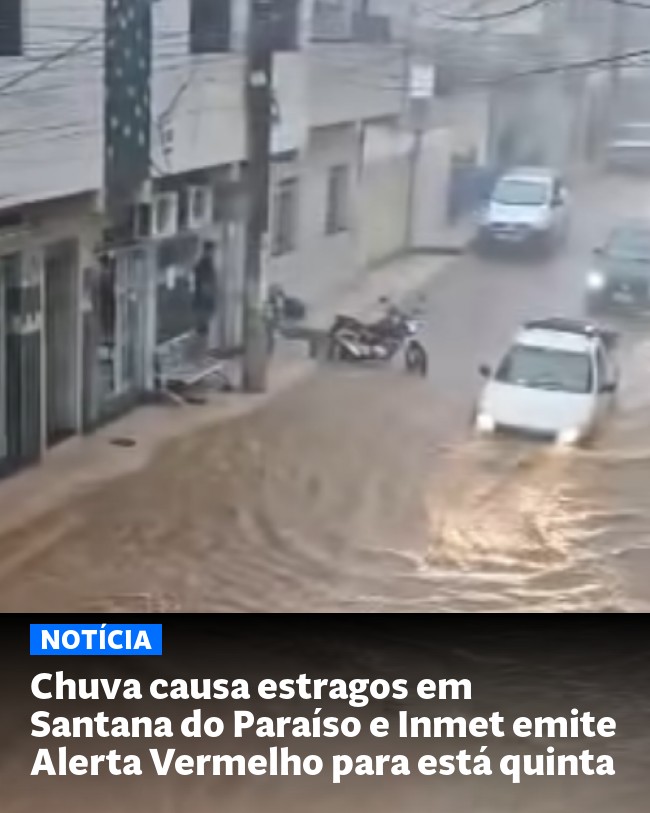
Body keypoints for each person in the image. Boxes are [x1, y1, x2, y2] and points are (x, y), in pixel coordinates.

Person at [192, 241, 217, 339]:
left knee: (206, 312)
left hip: (204, 295)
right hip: (204, 295)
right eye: (212, 251)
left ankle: (202, 331)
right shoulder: (204, 263)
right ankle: (201, 331)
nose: (213, 253)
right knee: (205, 312)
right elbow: (204, 279)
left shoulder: (206, 262)